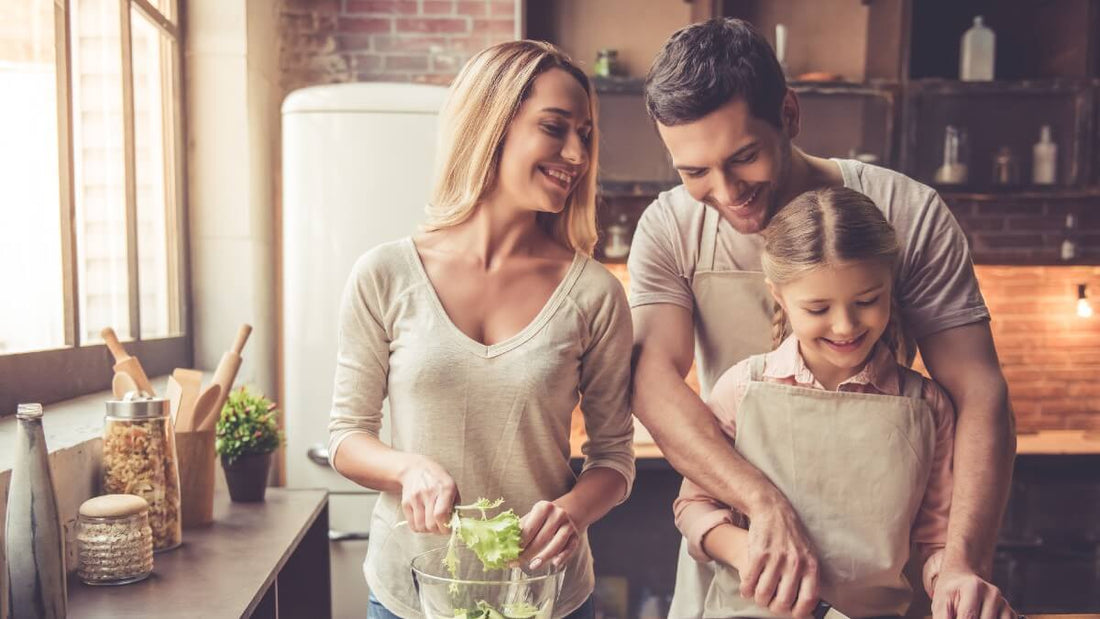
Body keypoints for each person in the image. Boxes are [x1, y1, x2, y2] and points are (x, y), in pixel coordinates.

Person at [629, 18, 1016, 618]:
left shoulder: (907, 213)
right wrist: (760, 503)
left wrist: (961, 561)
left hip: (875, 572)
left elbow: (979, 392)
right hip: (743, 570)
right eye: (694, 172)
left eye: (743, 157)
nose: (726, 191)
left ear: (788, 114)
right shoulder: (669, 227)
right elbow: (652, 382)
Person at [327, 40, 636, 619]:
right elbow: (347, 436)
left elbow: (614, 459)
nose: (576, 153)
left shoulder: (594, 293)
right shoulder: (386, 274)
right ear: (492, 125)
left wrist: (573, 510)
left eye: (586, 135)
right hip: (411, 597)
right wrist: (408, 467)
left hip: (544, 596)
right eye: (555, 127)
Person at [675, 186, 978, 616]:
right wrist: (747, 551)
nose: (844, 326)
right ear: (778, 296)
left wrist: (954, 577)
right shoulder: (741, 389)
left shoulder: (928, 407)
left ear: (890, 285)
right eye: (818, 308)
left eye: (867, 301)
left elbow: (936, 539)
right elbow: (694, 505)